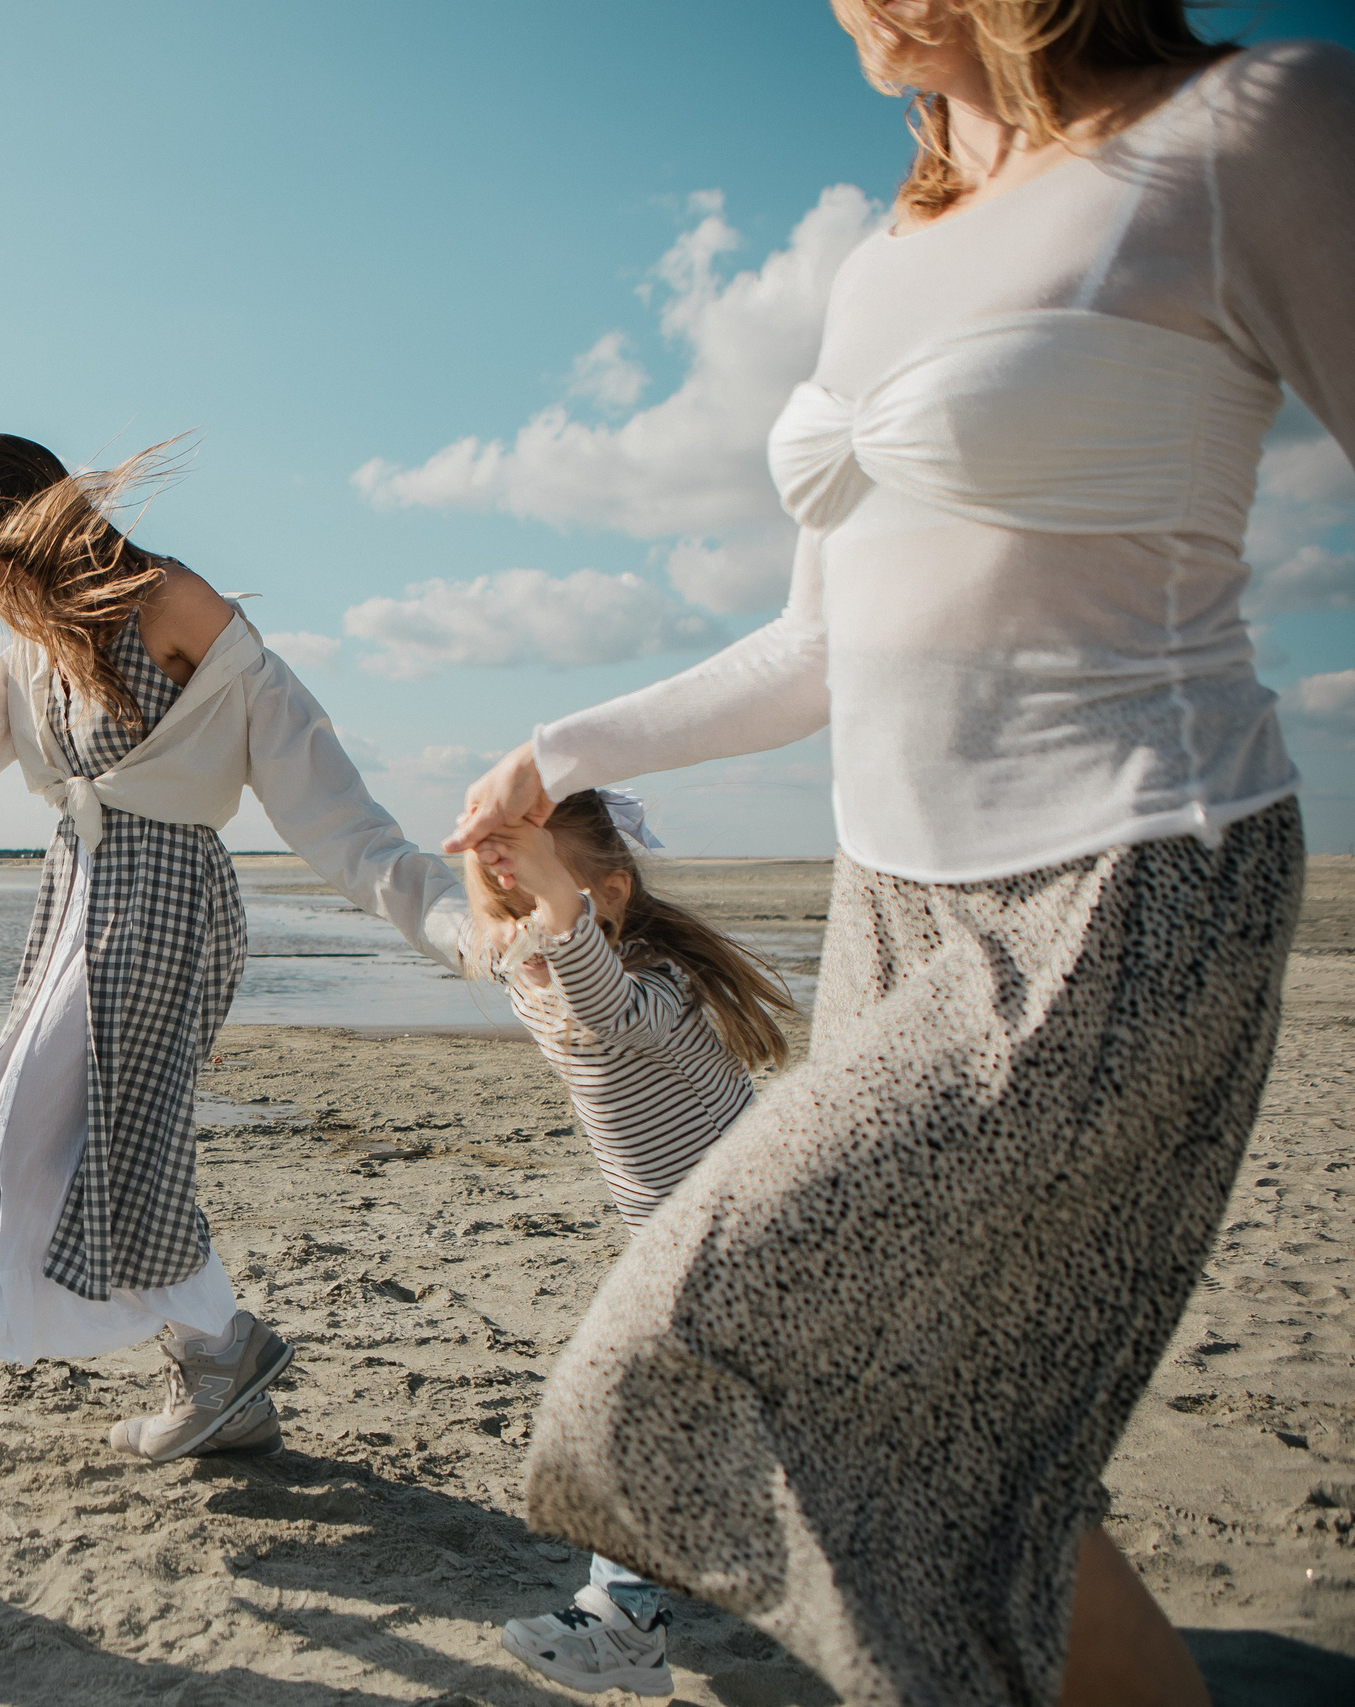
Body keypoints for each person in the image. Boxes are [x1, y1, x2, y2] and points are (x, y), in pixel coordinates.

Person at [445, 6, 1349, 1703]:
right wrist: (556, 753)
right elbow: (817, 648)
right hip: (889, 907)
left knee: (679, 1345)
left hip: (1122, 884)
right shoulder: (883, 259)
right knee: (935, 1440)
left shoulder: (1244, 131)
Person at [0, 434, 473, 1461]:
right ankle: (216, 1360)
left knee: (60, 1126)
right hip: (78, 895)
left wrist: (454, 921)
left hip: (166, 893)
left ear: (21, 533)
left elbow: (323, 793)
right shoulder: (34, 647)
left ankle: (220, 1351)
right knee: (39, 1130)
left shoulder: (170, 602)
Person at [460, 789, 794, 1698]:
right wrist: (491, 890)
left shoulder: (651, 988)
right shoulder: (530, 966)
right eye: (507, 898)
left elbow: (603, 1005)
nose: (527, 923)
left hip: (747, 1237)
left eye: (544, 895)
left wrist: (546, 895)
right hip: (680, 1246)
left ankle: (623, 1622)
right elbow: (446, 912)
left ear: (608, 895)